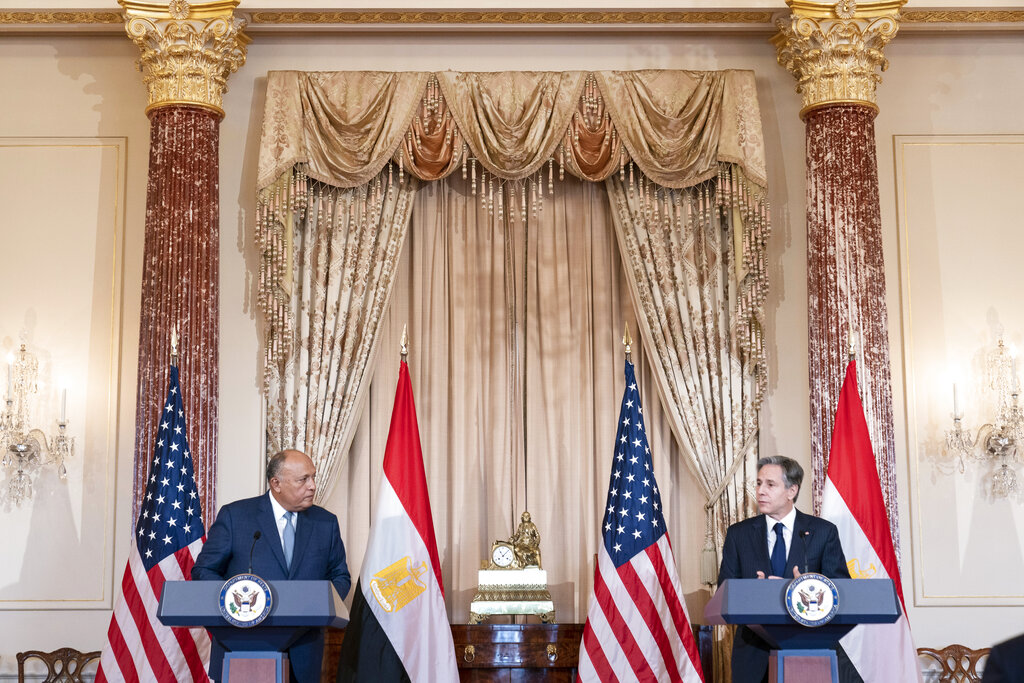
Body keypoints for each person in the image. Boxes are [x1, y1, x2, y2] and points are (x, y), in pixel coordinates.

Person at [192, 449, 351, 683]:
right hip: (241, 647)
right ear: (276, 483)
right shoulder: (236, 516)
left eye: (313, 477)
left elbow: (340, 577)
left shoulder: (325, 522)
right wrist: (235, 601)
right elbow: (204, 571)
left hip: (304, 653)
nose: (313, 486)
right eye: (303, 479)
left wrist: (315, 604)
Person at [717, 455, 855, 683]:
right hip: (753, 654)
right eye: (759, 483)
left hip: (809, 650)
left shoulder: (823, 532)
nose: (760, 491)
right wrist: (754, 592)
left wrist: (804, 588)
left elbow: (842, 590)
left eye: (770, 484)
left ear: (792, 491)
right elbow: (724, 591)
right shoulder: (738, 534)